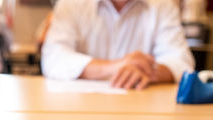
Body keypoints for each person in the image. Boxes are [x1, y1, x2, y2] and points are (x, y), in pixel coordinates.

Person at [41, 0, 195, 90]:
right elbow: (53, 58)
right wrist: (117, 66)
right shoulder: (71, 4)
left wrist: (146, 70)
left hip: (141, 110)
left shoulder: (163, 5)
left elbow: (182, 62)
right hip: (77, 108)